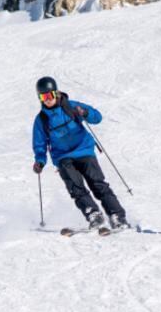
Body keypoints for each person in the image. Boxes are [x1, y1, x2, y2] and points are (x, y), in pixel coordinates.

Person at [32, 76, 128, 230]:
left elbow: (97, 117)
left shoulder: (71, 107)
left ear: (56, 93)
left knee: (97, 183)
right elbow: (39, 144)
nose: (47, 100)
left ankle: (117, 216)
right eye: (43, 97)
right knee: (76, 187)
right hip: (63, 157)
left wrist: (85, 112)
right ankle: (93, 214)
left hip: (84, 150)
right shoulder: (41, 120)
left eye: (49, 95)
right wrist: (40, 161)